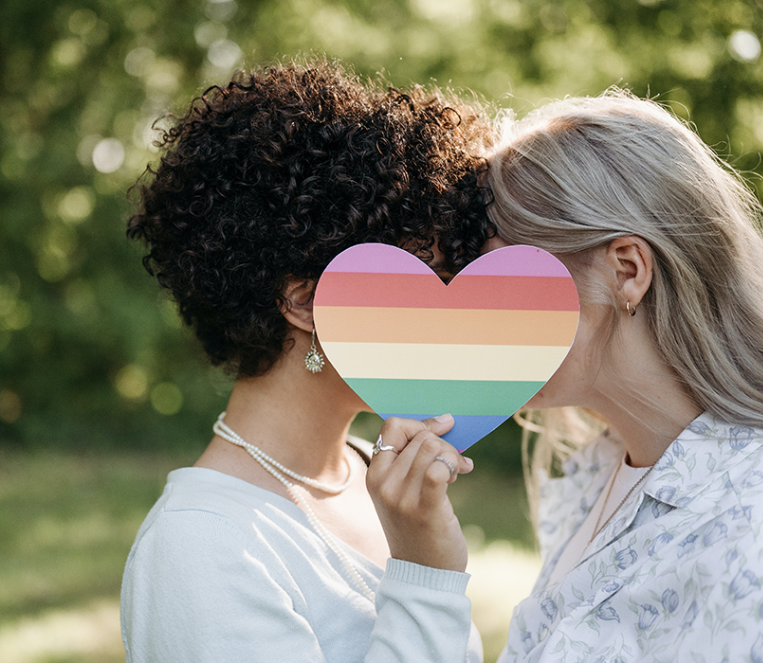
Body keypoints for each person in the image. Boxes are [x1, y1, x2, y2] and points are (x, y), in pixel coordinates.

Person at [369, 90, 763, 661]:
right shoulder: (597, 477)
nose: (475, 324)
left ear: (627, 271)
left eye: (507, 281)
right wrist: (427, 571)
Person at [120, 60, 488, 662]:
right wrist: (426, 575)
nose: (449, 318)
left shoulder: (381, 479)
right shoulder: (201, 545)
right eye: (426, 283)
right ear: (307, 302)